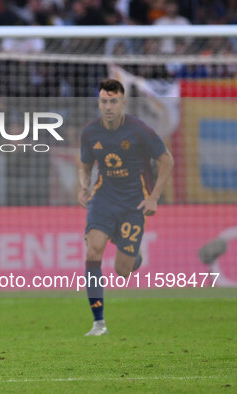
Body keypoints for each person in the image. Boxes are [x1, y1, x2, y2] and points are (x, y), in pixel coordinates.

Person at [78, 79, 174, 336]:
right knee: (93, 250)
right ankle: (98, 323)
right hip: (103, 198)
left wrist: (154, 197)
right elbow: (85, 164)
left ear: (123, 103)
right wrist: (83, 186)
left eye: (112, 101)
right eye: (103, 101)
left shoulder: (139, 130)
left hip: (134, 202)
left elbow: (167, 161)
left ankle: (133, 255)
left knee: (123, 270)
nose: (107, 107)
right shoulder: (89, 132)